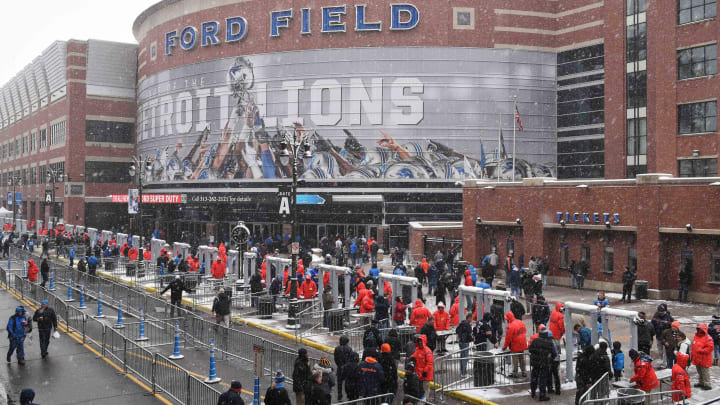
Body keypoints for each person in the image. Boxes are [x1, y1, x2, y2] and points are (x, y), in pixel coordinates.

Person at [528, 328, 554, 401]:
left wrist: (536, 352)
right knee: (543, 380)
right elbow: (554, 353)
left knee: (534, 378)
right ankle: (542, 395)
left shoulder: (535, 341)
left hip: (535, 363)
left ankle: (533, 392)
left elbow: (530, 349)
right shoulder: (549, 343)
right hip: (544, 363)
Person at [503, 311, 528, 378]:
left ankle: (515, 373)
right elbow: (525, 330)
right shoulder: (520, 321)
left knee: (515, 359)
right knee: (522, 358)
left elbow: (508, 338)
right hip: (522, 343)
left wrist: (505, 347)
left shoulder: (510, 326)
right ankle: (524, 372)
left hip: (515, 345)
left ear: (508, 319)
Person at [692, 323, 714, 390]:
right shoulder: (696, 336)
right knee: (700, 372)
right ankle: (701, 383)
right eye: (698, 329)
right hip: (697, 358)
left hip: (704, 358)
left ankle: (707, 385)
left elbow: (710, 348)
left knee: (705, 372)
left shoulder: (708, 338)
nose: (699, 331)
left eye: (700, 329)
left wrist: (701, 350)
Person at [333, 335, 353, 401]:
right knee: (347, 382)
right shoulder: (349, 349)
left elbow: (335, 358)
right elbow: (351, 358)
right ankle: (348, 394)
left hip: (340, 367)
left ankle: (339, 395)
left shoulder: (337, 348)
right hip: (347, 368)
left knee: (339, 383)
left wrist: (339, 365)